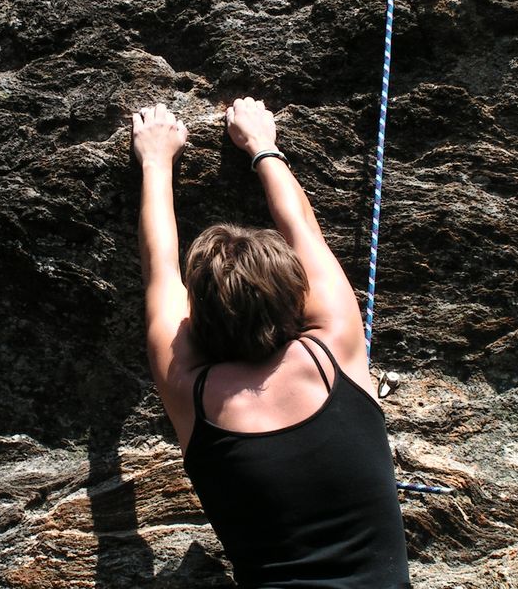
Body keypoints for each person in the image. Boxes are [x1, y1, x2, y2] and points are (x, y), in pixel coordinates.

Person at [131, 97, 411, 589]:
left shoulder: (192, 392)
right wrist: (263, 145)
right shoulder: (335, 351)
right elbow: (302, 229)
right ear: (295, 299)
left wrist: (156, 164)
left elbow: (160, 272)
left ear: (196, 315)